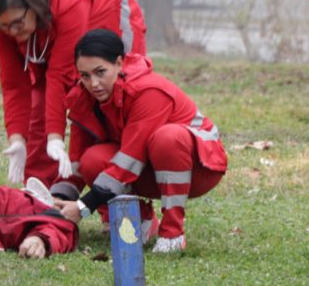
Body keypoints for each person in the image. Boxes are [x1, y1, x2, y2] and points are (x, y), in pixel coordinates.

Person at [0, 0, 147, 193]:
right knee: (40, 103)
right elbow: (14, 85)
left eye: (18, 24)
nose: (12, 33)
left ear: (34, 7)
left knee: (108, 97)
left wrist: (55, 137)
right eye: (4, 26)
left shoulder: (69, 4)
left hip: (108, 12)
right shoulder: (5, 21)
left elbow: (60, 76)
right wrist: (17, 139)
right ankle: (39, 192)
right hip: (51, 24)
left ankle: (119, 199)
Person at [56, 29, 227, 253]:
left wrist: (82, 207)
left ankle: (173, 234)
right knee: (92, 159)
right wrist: (56, 200)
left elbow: (130, 160)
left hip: (200, 168)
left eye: (100, 72)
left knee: (167, 138)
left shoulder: (148, 90)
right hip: (147, 166)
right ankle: (141, 222)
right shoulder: (84, 96)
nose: (93, 83)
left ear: (119, 63)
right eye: (85, 75)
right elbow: (77, 161)